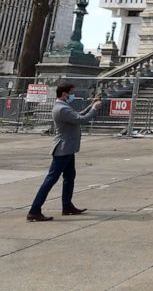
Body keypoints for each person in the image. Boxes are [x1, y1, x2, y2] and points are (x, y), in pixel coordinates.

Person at [27, 83, 101, 221]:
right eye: (71, 93)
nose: (72, 95)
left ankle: (67, 206)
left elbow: (76, 116)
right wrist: (95, 110)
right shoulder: (61, 109)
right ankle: (35, 210)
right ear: (64, 94)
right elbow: (81, 120)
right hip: (63, 149)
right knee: (51, 179)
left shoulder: (63, 107)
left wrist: (91, 106)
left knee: (69, 177)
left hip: (68, 148)